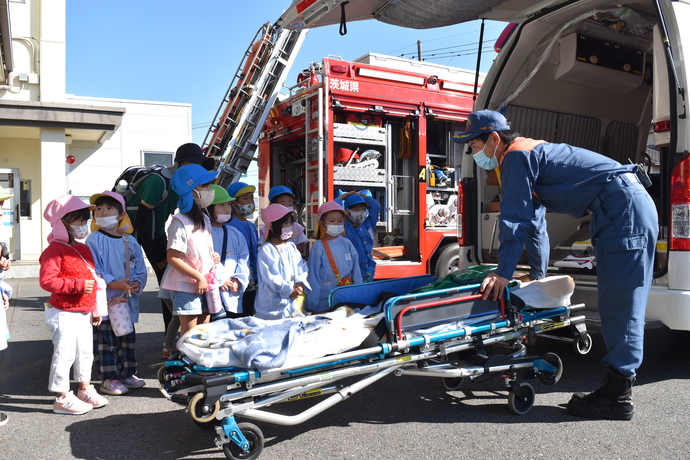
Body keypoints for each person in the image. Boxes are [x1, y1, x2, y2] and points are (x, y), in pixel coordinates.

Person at [453, 110, 658, 421]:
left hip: (623, 208)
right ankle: (617, 389)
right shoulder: (528, 156)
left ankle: (617, 395)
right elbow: (534, 225)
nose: (473, 153)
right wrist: (538, 280)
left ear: (494, 138)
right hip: (617, 207)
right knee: (616, 298)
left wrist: (503, 273)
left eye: (474, 145)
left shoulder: (516, 156)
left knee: (621, 301)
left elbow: (513, 219)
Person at [126, 143, 214, 358]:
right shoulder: (159, 182)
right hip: (135, 240)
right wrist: (157, 257)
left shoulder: (188, 200)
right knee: (166, 297)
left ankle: (171, 341)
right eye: (197, 164)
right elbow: (143, 222)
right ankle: (170, 345)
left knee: (174, 300)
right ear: (182, 164)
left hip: (158, 237)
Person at [40, 195, 110, 415]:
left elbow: (95, 280)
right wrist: (77, 286)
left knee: (85, 352)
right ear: (62, 223)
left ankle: (84, 388)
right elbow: (47, 281)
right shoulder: (54, 250)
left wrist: (96, 309)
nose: (83, 226)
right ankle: (61, 396)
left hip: (83, 312)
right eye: (78, 221)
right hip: (63, 311)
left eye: (84, 220)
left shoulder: (83, 248)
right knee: (65, 353)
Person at [85, 191, 148, 396]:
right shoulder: (93, 239)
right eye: (99, 209)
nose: (103, 213)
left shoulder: (130, 240)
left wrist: (137, 283)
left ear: (121, 215)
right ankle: (109, 378)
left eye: (109, 208)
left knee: (126, 337)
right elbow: (94, 267)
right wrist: (113, 282)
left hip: (125, 300)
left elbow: (140, 266)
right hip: (104, 300)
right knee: (106, 340)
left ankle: (128, 373)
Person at [160, 164, 222, 336]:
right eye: (205, 186)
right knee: (189, 336)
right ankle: (185, 361)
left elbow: (201, 249)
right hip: (188, 286)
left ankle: (198, 362)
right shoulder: (179, 222)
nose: (210, 190)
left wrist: (213, 257)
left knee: (203, 333)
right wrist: (198, 276)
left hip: (205, 282)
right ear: (191, 191)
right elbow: (173, 257)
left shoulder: (204, 218)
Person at [255, 204, 310, 320]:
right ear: (271, 226)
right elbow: (271, 277)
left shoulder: (291, 247)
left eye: (291, 223)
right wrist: (289, 290)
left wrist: (300, 282)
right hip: (272, 308)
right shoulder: (266, 249)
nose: (289, 227)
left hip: (291, 304)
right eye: (285, 223)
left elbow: (301, 266)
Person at [306, 201, 362, 313]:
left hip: (346, 299)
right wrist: (312, 303)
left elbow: (356, 271)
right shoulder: (318, 246)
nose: (336, 224)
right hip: (323, 303)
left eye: (340, 221)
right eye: (332, 221)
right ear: (322, 224)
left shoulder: (347, 243)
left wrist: (359, 294)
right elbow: (313, 275)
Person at [206, 185, 249, 319]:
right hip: (212, 290)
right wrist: (221, 279)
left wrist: (239, 279)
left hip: (232, 290)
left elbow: (243, 258)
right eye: (221, 205)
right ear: (208, 208)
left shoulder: (235, 233)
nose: (227, 208)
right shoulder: (203, 232)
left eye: (229, 204)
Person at [226, 182, 259, 316]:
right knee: (236, 311)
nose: (250, 201)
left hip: (252, 277)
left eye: (251, 197)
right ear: (233, 202)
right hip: (236, 276)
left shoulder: (251, 225)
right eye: (245, 198)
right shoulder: (229, 224)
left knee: (249, 310)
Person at [335, 190, 381, 282]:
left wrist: (362, 196)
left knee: (365, 292)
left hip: (368, 267)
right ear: (347, 212)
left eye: (363, 209)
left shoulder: (368, 223)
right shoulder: (345, 226)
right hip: (351, 268)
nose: (361, 212)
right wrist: (341, 198)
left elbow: (376, 206)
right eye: (356, 209)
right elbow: (334, 210)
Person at [268, 185, 308, 255]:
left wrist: (289, 249)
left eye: (290, 204)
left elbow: (302, 248)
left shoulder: (297, 227)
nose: (286, 207)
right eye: (282, 204)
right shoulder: (268, 227)